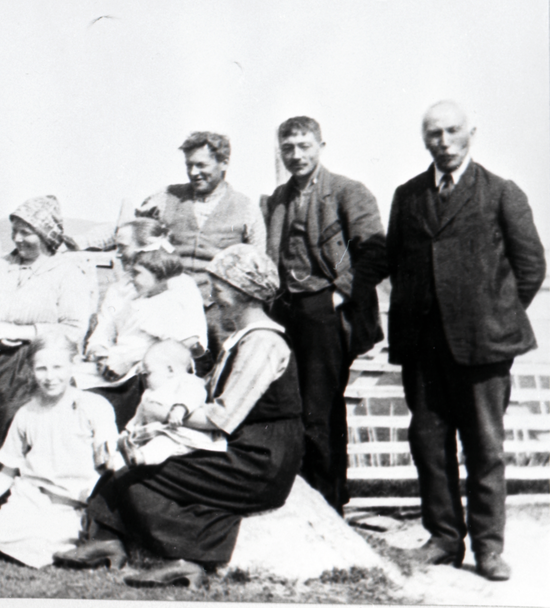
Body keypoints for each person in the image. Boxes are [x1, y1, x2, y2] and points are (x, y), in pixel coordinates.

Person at [54, 244, 303, 589]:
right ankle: (107, 540)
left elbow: (221, 416)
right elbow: (202, 392)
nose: (213, 293)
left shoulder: (263, 342)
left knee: (142, 475)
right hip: (240, 448)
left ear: (242, 292)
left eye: (219, 286)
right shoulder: (241, 338)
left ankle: (187, 557)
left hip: (258, 460)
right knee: (130, 465)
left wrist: (161, 415)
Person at [386, 101, 545, 581]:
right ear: (425, 140)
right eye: (434, 133)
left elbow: (531, 266)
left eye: (453, 131)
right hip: (424, 349)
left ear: (471, 132)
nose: (444, 141)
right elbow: (397, 261)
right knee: (430, 447)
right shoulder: (408, 195)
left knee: (485, 449)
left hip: (483, 349)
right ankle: (443, 539)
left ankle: (489, 548)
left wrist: (492, 315)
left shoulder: (501, 192)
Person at [262, 116, 388, 514]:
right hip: (287, 311)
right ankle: (306, 499)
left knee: (320, 407)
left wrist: (338, 295)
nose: (296, 155)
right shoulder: (277, 199)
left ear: (320, 146)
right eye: (288, 148)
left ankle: (328, 503)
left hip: (327, 311)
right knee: (293, 405)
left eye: (304, 146)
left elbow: (376, 252)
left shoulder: (347, 192)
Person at [0, 195, 97, 494]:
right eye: (14, 231)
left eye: (26, 232)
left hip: (38, 362)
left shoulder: (67, 272)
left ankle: (13, 491)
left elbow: (73, 329)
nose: (18, 239)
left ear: (47, 235)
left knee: (13, 411)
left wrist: (22, 332)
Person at [0, 334, 119, 568]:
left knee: (44, 540)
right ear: (31, 369)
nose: (50, 377)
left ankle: (53, 545)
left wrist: (109, 457)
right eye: (41, 369)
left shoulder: (94, 406)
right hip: (29, 499)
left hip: (70, 505)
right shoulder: (27, 413)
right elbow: (8, 471)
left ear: (73, 364)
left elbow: (109, 460)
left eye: (57, 367)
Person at [82, 132, 266, 303]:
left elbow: (258, 266)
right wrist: (79, 242)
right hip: (170, 306)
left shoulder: (247, 209)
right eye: (189, 165)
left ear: (224, 163)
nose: (193, 172)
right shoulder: (166, 197)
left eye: (201, 165)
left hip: (220, 312)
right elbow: (129, 228)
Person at [83, 246, 207, 382]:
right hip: (117, 363)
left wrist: (128, 360)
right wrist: (102, 353)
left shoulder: (167, 305)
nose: (131, 278)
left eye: (137, 273)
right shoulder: (137, 300)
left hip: (142, 371)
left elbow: (177, 345)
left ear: (159, 275)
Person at [120, 340, 225, 467]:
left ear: (170, 370)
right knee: (139, 440)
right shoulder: (149, 393)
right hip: (156, 431)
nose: (146, 379)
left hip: (181, 434)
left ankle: (140, 457)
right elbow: (139, 414)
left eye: (149, 373)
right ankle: (113, 460)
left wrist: (180, 408)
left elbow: (195, 395)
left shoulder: (187, 381)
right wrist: (128, 430)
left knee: (164, 443)